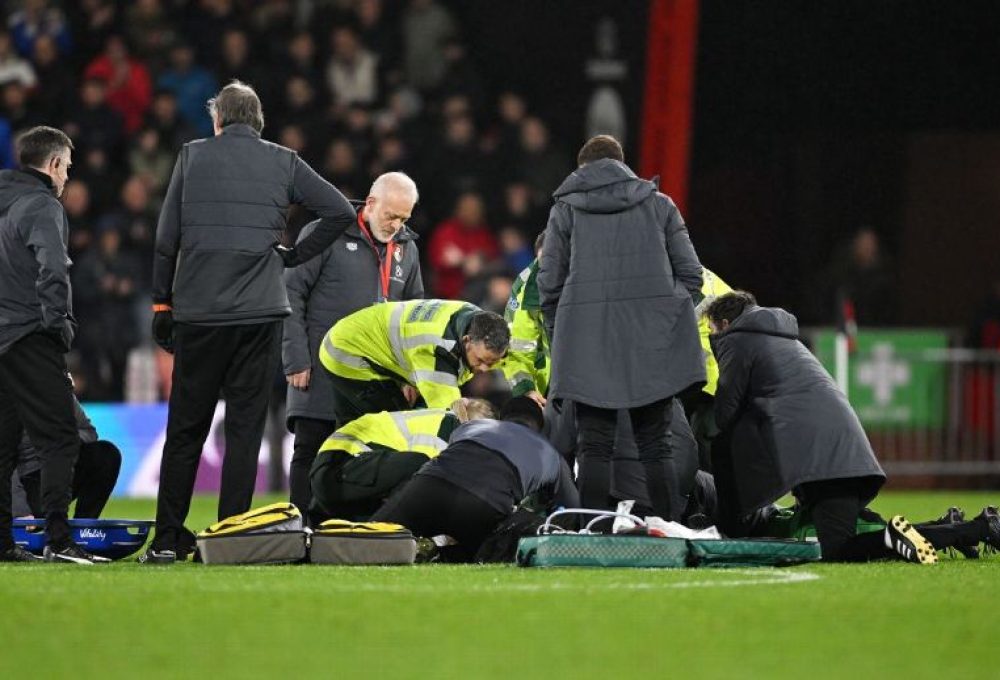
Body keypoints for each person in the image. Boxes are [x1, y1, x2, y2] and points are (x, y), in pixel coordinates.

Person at [142, 82, 357, 564]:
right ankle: (227, 539)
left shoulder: (192, 156)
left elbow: (165, 238)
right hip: (261, 314)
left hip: (199, 314)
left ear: (218, 120)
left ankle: (167, 540)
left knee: (185, 429)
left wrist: (161, 304)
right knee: (244, 431)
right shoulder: (284, 160)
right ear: (258, 122)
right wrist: (293, 255)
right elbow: (340, 210)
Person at [538, 134, 705, 521]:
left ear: (583, 170)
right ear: (622, 164)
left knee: (593, 447)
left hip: (588, 344)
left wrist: (562, 332)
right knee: (657, 444)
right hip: (652, 345)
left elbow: (549, 284)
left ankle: (592, 534)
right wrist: (662, 319)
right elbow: (692, 277)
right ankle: (668, 532)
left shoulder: (566, 211)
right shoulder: (660, 206)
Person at [706, 291, 933, 563]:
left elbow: (725, 411)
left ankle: (894, 539)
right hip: (837, 451)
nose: (712, 338)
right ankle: (962, 529)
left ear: (725, 324)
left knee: (836, 548)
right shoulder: (783, 339)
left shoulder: (738, 340)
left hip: (825, 459)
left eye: (712, 330)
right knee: (837, 539)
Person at [284, 172, 424, 516]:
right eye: (391, 215)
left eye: (404, 218)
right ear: (371, 203)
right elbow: (290, 293)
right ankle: (299, 529)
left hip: (376, 381)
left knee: (364, 456)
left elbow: (414, 316)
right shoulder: (324, 232)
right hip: (320, 369)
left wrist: (410, 374)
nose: (396, 225)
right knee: (310, 449)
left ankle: (347, 531)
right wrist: (296, 358)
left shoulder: (407, 249)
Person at [0, 126, 108, 564]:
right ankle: (59, 540)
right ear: (54, 165)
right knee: (60, 437)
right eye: (66, 168)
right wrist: (60, 323)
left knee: (3, 443)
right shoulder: (41, 205)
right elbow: (53, 268)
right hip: (28, 333)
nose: (66, 179)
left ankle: (3, 543)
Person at [372, 397, 578, 561]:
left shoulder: (472, 427)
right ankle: (439, 554)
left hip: (428, 487)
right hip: (483, 504)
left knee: (370, 538)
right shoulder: (552, 456)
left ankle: (413, 547)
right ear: (540, 427)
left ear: (502, 418)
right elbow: (573, 510)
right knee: (500, 545)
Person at [318, 299, 510, 425]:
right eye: (481, 360)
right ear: (467, 340)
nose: (485, 369)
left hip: (364, 334)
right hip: (348, 351)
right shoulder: (435, 352)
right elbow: (450, 418)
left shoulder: (473, 318)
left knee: (354, 429)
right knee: (392, 426)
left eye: (493, 363)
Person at [310, 398, 495, 522]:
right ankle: (387, 530)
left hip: (338, 475)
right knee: (423, 470)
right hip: (342, 469)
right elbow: (427, 484)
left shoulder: (440, 419)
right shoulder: (446, 429)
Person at [11, 395, 121, 520]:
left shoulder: (60, 389)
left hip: (57, 467)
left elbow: (88, 432)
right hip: (23, 480)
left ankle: (84, 527)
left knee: (106, 454)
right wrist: (20, 511)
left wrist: (66, 440)